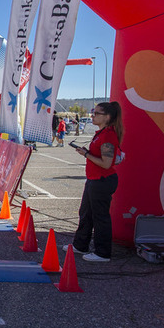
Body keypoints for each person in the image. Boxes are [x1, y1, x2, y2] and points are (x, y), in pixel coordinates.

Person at [71, 101, 123, 262]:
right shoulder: (101, 133)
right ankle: (80, 245)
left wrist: (86, 155)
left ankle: (102, 252)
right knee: (86, 213)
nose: (93, 116)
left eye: (96, 113)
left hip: (102, 180)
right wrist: (87, 152)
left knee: (100, 217)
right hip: (94, 179)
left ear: (107, 117)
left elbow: (106, 163)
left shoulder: (108, 135)